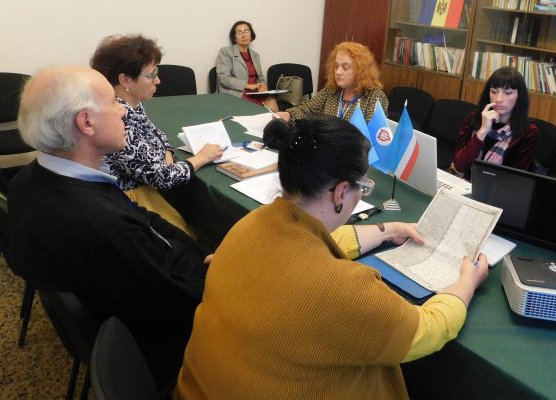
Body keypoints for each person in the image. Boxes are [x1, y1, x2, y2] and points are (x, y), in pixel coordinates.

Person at [176, 116, 488, 399]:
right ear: (340, 193)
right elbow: (427, 329)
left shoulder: (247, 226)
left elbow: (314, 240)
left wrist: (386, 230)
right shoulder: (342, 289)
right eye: (361, 186)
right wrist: (466, 282)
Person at [7, 66, 212, 391]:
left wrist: (201, 252)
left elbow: (141, 216)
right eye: (113, 103)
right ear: (86, 123)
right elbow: (173, 306)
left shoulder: (33, 177)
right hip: (165, 340)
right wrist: (223, 273)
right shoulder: (101, 225)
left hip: (145, 283)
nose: (123, 111)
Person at [91, 34, 223, 235]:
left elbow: (159, 136)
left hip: (143, 189)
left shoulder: (133, 105)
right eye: (152, 75)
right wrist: (203, 157)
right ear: (125, 80)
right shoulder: (119, 117)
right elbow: (163, 178)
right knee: (189, 235)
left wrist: (166, 154)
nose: (158, 81)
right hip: (129, 200)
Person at [452, 66, 539, 178]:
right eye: (494, 91)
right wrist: (483, 131)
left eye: (508, 93)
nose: (499, 99)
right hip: (463, 183)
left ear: (519, 96)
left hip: (498, 187)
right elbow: (459, 166)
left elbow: (515, 178)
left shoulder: (529, 132)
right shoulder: (474, 117)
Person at [274, 41, 388, 123]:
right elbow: (308, 109)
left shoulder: (374, 97)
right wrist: (288, 114)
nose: (338, 72)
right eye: (336, 66)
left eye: (345, 67)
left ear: (361, 70)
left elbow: (372, 138)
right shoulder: (332, 89)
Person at [216, 20, 278, 111]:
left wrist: (263, 86)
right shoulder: (226, 52)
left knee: (272, 100)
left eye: (246, 31)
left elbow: (260, 78)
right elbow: (224, 78)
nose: (244, 35)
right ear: (234, 38)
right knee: (254, 110)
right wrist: (248, 86)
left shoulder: (255, 55)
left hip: (255, 93)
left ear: (251, 35)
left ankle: (278, 121)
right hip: (236, 93)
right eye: (240, 32)